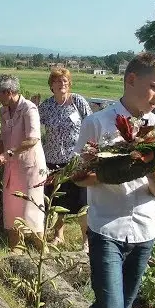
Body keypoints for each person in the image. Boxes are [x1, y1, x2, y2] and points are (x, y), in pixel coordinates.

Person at [73, 52, 155, 308]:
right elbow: (79, 176)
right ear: (131, 79)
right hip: (106, 227)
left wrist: (150, 164)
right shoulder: (97, 122)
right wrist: (118, 169)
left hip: (144, 231)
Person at [38, 68, 93, 252]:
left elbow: (91, 124)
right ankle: (58, 236)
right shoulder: (46, 106)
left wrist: (89, 151)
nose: (62, 84)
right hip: (52, 160)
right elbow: (34, 123)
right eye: (58, 81)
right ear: (51, 85)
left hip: (75, 160)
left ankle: (86, 240)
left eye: (65, 81)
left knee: (81, 201)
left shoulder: (77, 101)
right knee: (56, 201)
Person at [0, 74, 47, 251]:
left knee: (32, 207)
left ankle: (41, 248)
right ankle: (15, 248)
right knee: (12, 205)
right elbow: (3, 137)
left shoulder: (29, 109)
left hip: (31, 167)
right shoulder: (3, 110)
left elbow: (33, 139)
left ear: (8, 92)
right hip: (11, 166)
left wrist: (7, 154)